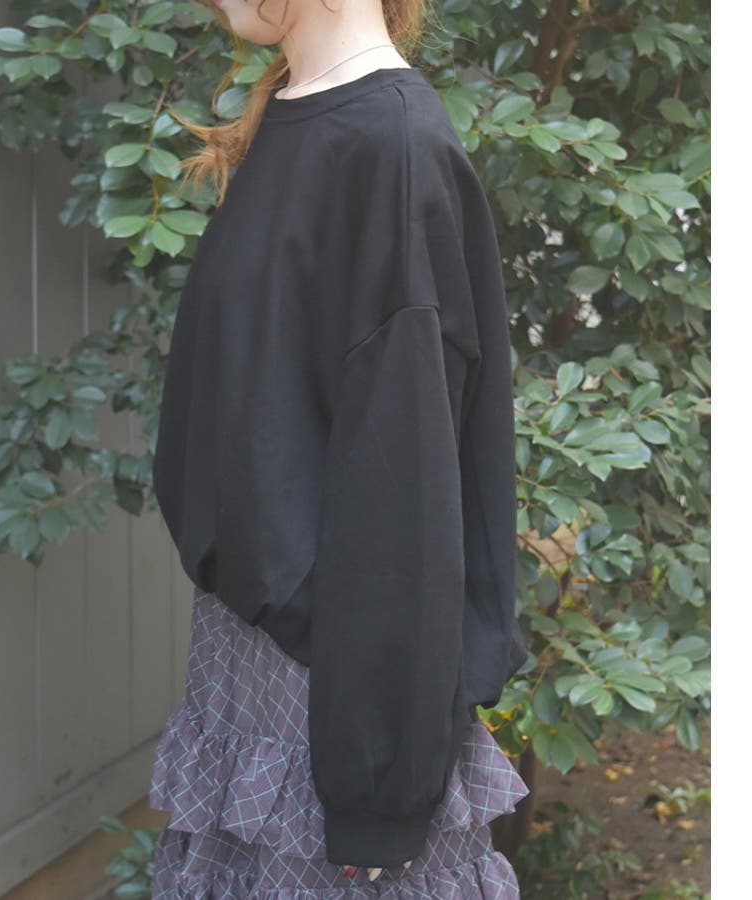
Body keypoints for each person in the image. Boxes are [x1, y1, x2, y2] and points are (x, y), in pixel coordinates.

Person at [147, 0, 530, 895]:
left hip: (332, 689)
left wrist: (378, 787)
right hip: (251, 662)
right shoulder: (299, 112)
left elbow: (406, 487)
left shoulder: (390, 146)